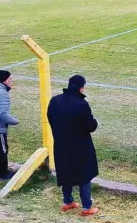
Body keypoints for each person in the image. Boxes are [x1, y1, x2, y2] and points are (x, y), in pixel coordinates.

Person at [47, 75, 100, 216]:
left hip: (61, 143)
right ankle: (87, 207)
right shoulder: (81, 104)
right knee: (84, 175)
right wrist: (95, 122)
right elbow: (90, 126)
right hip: (80, 146)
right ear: (81, 88)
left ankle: (68, 201)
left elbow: (50, 119)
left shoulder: (54, 101)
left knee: (65, 171)